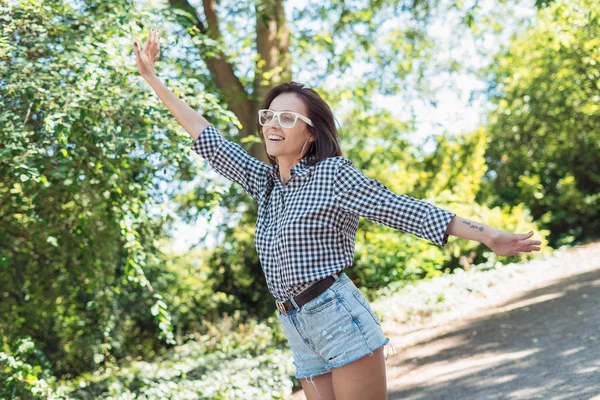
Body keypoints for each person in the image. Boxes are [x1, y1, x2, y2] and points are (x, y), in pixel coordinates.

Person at [134, 28, 542, 400]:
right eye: (269, 116)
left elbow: (403, 210)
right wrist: (154, 79)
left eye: (288, 118)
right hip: (295, 324)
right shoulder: (265, 183)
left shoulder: (332, 175)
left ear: (311, 133)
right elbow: (208, 138)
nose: (274, 124)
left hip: (336, 314)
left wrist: (487, 234)